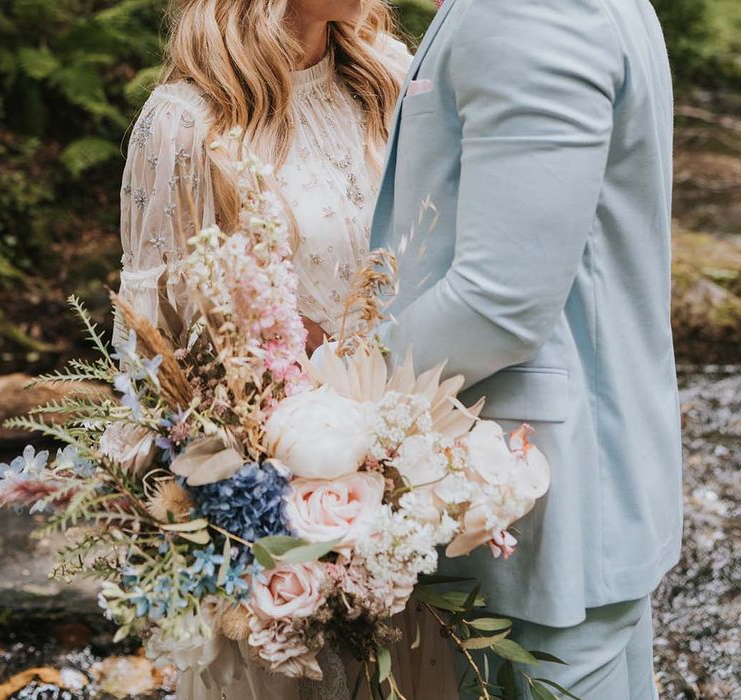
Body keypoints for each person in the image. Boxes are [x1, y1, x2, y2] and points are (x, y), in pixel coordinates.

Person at [115, 1, 441, 698]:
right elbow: (154, 355)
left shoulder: (393, 75)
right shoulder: (186, 120)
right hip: (274, 522)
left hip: (411, 496)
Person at [370, 0, 683, 697]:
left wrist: (334, 403)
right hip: (583, 485)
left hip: (541, 505)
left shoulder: (529, 9)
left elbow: (497, 303)